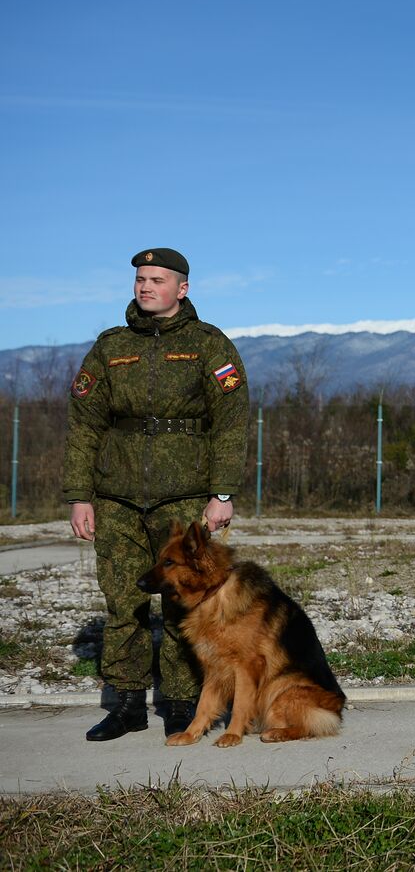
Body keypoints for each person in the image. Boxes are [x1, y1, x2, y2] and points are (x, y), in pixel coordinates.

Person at [62, 248, 250, 741]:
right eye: (141, 279)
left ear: (182, 289)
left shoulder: (209, 345)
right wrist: (80, 496)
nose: (146, 287)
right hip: (117, 497)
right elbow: (84, 424)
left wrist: (223, 493)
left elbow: (231, 423)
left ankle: (183, 703)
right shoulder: (110, 347)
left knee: (185, 605)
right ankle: (125, 705)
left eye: (158, 280)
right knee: (123, 602)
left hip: (183, 499)